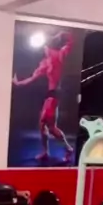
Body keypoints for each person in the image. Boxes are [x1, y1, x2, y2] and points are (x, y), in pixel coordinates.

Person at [13, 31, 74, 163]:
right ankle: (45, 152)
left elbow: (70, 41)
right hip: (49, 95)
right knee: (42, 125)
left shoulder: (59, 55)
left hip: (54, 94)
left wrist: (60, 35)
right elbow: (32, 78)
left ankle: (68, 149)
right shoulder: (45, 63)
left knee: (51, 127)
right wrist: (18, 83)